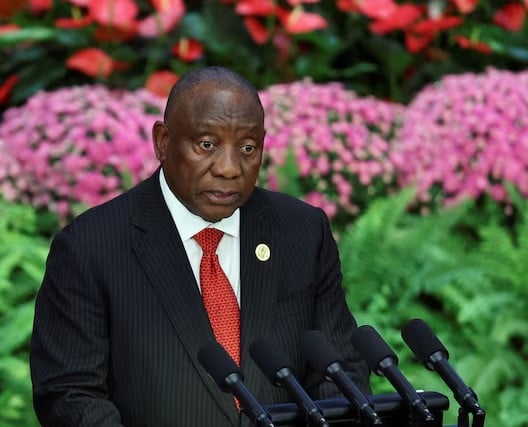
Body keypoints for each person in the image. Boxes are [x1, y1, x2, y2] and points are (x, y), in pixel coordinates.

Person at [30, 66, 370, 427]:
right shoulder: (90, 247)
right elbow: (70, 394)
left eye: (247, 148)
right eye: (206, 145)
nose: (229, 168)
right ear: (163, 142)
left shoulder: (302, 232)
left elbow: (339, 370)